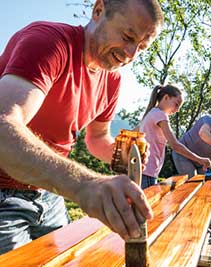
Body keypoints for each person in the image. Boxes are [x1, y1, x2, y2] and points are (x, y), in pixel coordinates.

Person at [0, 0, 163, 255]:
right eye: (127, 36)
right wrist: (85, 184)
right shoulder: (49, 42)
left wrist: (123, 152)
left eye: (141, 47)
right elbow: (3, 125)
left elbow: (97, 139)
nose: (131, 55)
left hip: (51, 194)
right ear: (98, 11)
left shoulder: (111, 80)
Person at [139, 85, 211, 188]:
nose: (177, 110)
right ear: (166, 97)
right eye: (176, 104)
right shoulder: (160, 115)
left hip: (144, 169)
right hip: (148, 170)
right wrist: (200, 159)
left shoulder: (151, 113)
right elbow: (175, 145)